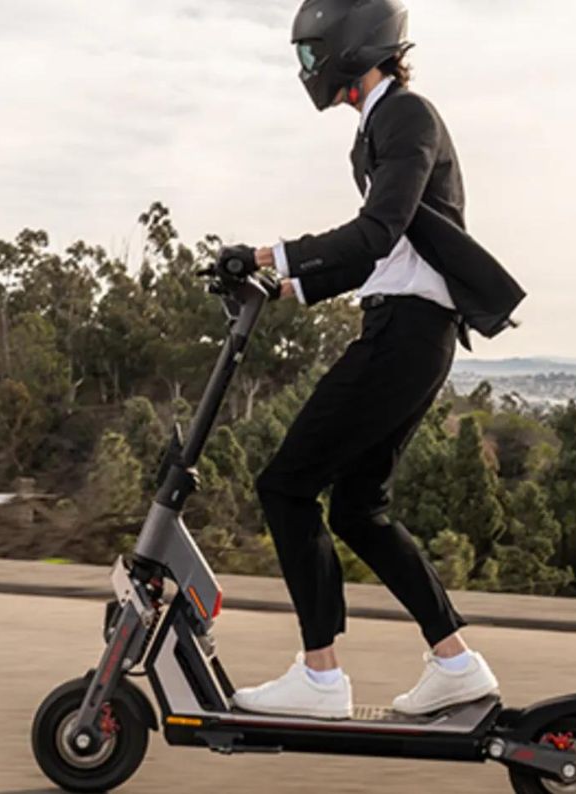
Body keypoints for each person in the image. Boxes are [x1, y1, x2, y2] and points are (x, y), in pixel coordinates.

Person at [227, 0, 524, 721]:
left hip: (407, 335)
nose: (307, 68)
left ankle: (320, 676)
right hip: (410, 332)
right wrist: (283, 279)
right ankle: (456, 663)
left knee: (288, 486)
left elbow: (379, 228)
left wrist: (277, 253)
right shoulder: (375, 131)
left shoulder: (407, 117)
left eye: (312, 53)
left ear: (354, 47)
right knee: (358, 509)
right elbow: (381, 253)